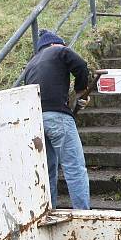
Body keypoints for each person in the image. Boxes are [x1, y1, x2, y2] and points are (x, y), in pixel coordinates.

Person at [23, 29, 91, 210]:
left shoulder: (31, 64)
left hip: (36, 121)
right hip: (58, 118)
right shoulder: (59, 50)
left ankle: (49, 210)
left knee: (48, 169)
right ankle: (83, 213)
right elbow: (81, 65)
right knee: (74, 167)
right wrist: (80, 91)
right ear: (55, 43)